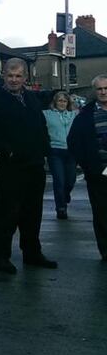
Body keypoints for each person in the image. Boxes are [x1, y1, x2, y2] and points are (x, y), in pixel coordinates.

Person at [0, 58, 57, 274]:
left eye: (18, 76)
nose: (14, 80)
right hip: (11, 166)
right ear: (3, 75)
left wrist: (45, 151)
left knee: (33, 211)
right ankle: (0, 256)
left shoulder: (30, 97)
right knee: (7, 212)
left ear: (25, 77)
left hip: (34, 164)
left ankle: (32, 253)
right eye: (10, 76)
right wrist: (8, 151)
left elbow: (40, 126)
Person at [68, 74, 107, 261]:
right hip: (98, 171)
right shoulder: (85, 116)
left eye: (106, 88)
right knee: (101, 212)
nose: (103, 92)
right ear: (95, 91)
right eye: (99, 89)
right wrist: (87, 165)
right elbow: (74, 142)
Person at [43, 91, 78, 219]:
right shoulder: (47, 114)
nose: (62, 103)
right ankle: (61, 208)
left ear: (68, 103)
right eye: (60, 101)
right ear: (55, 102)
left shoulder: (74, 115)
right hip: (55, 151)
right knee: (59, 181)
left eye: (64, 101)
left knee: (71, 180)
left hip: (71, 152)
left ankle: (65, 194)